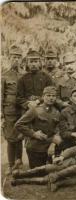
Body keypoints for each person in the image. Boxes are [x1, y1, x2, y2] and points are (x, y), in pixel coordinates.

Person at [11, 124, 76, 184]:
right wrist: (62, 157)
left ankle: (22, 181)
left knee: (51, 178)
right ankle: (21, 174)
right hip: (74, 161)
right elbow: (74, 149)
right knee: (49, 167)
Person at [14, 86, 61, 168]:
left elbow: (58, 129)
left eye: (53, 96)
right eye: (48, 95)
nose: (51, 98)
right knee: (36, 174)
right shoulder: (35, 110)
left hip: (49, 148)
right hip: (35, 148)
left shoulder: (56, 112)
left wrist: (53, 143)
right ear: (43, 97)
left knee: (49, 174)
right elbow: (18, 124)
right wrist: (33, 134)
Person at [1, 45, 25, 174]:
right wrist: (1, 114)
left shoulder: (24, 75)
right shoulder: (4, 75)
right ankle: (10, 165)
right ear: (10, 58)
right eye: (14, 57)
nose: (16, 60)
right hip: (9, 110)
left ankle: (19, 162)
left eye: (18, 57)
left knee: (20, 135)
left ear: (21, 59)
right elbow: (0, 95)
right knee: (11, 138)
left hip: (21, 110)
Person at [16, 48, 54, 113]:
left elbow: (51, 94)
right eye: (31, 62)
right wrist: (27, 104)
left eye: (36, 62)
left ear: (39, 63)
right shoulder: (22, 79)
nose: (33, 64)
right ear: (27, 63)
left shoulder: (47, 77)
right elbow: (19, 98)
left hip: (43, 109)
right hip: (27, 109)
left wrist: (38, 101)